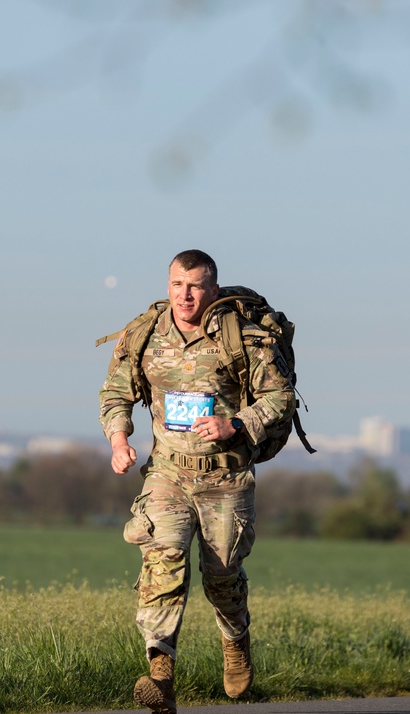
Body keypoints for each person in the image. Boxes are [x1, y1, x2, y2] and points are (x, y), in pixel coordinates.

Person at [99, 249, 296, 713]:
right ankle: (161, 676)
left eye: (195, 286)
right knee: (163, 561)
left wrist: (237, 424)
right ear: (167, 285)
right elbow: (115, 390)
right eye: (177, 285)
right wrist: (118, 439)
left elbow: (280, 397)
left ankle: (235, 640)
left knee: (222, 575)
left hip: (225, 476)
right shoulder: (145, 333)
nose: (185, 295)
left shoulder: (240, 337)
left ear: (212, 288)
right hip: (167, 474)